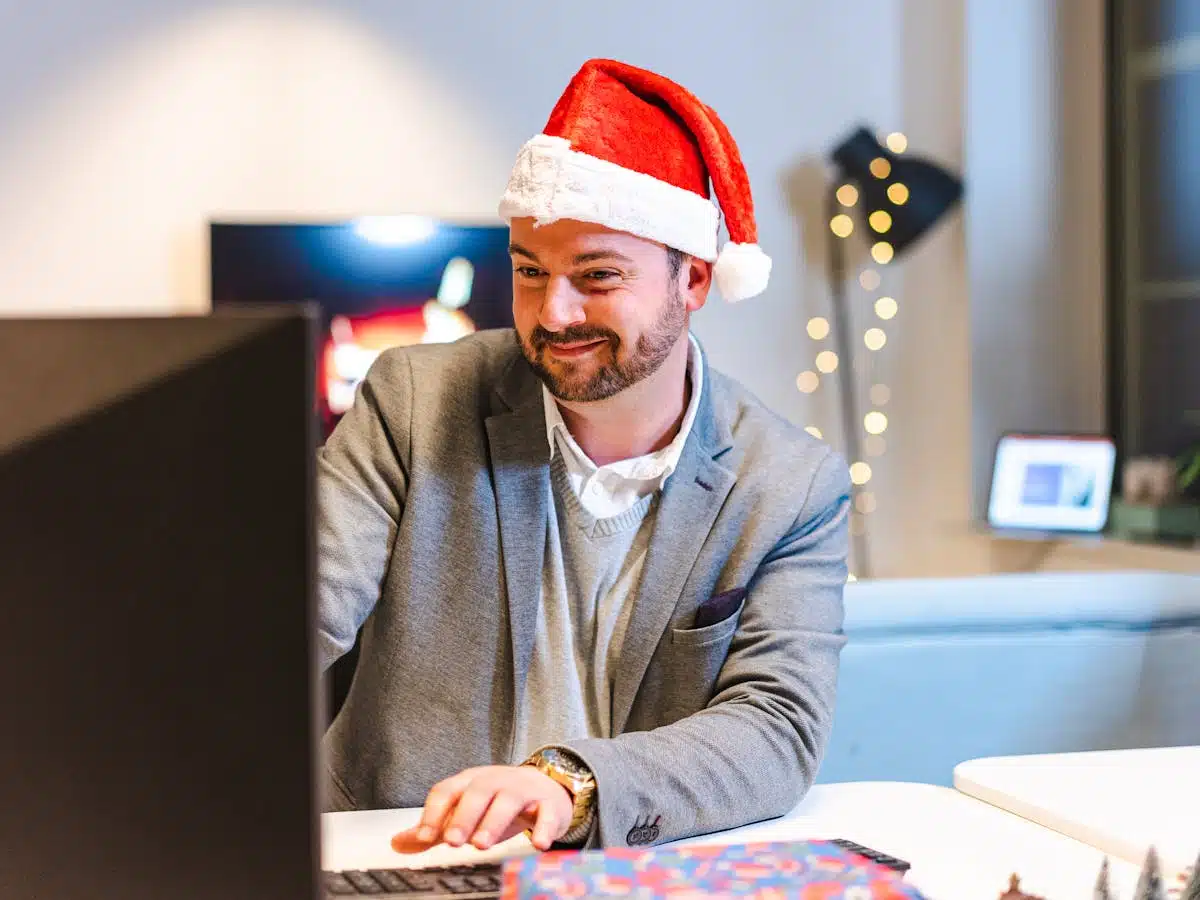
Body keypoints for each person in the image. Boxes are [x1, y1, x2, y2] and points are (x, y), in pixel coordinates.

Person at [317, 58, 851, 854]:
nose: (553, 312)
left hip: (632, 864)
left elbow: (773, 729)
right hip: (402, 849)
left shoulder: (792, 483)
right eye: (530, 272)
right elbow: (299, 607)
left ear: (694, 279)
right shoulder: (414, 402)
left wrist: (568, 783)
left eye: (597, 276)